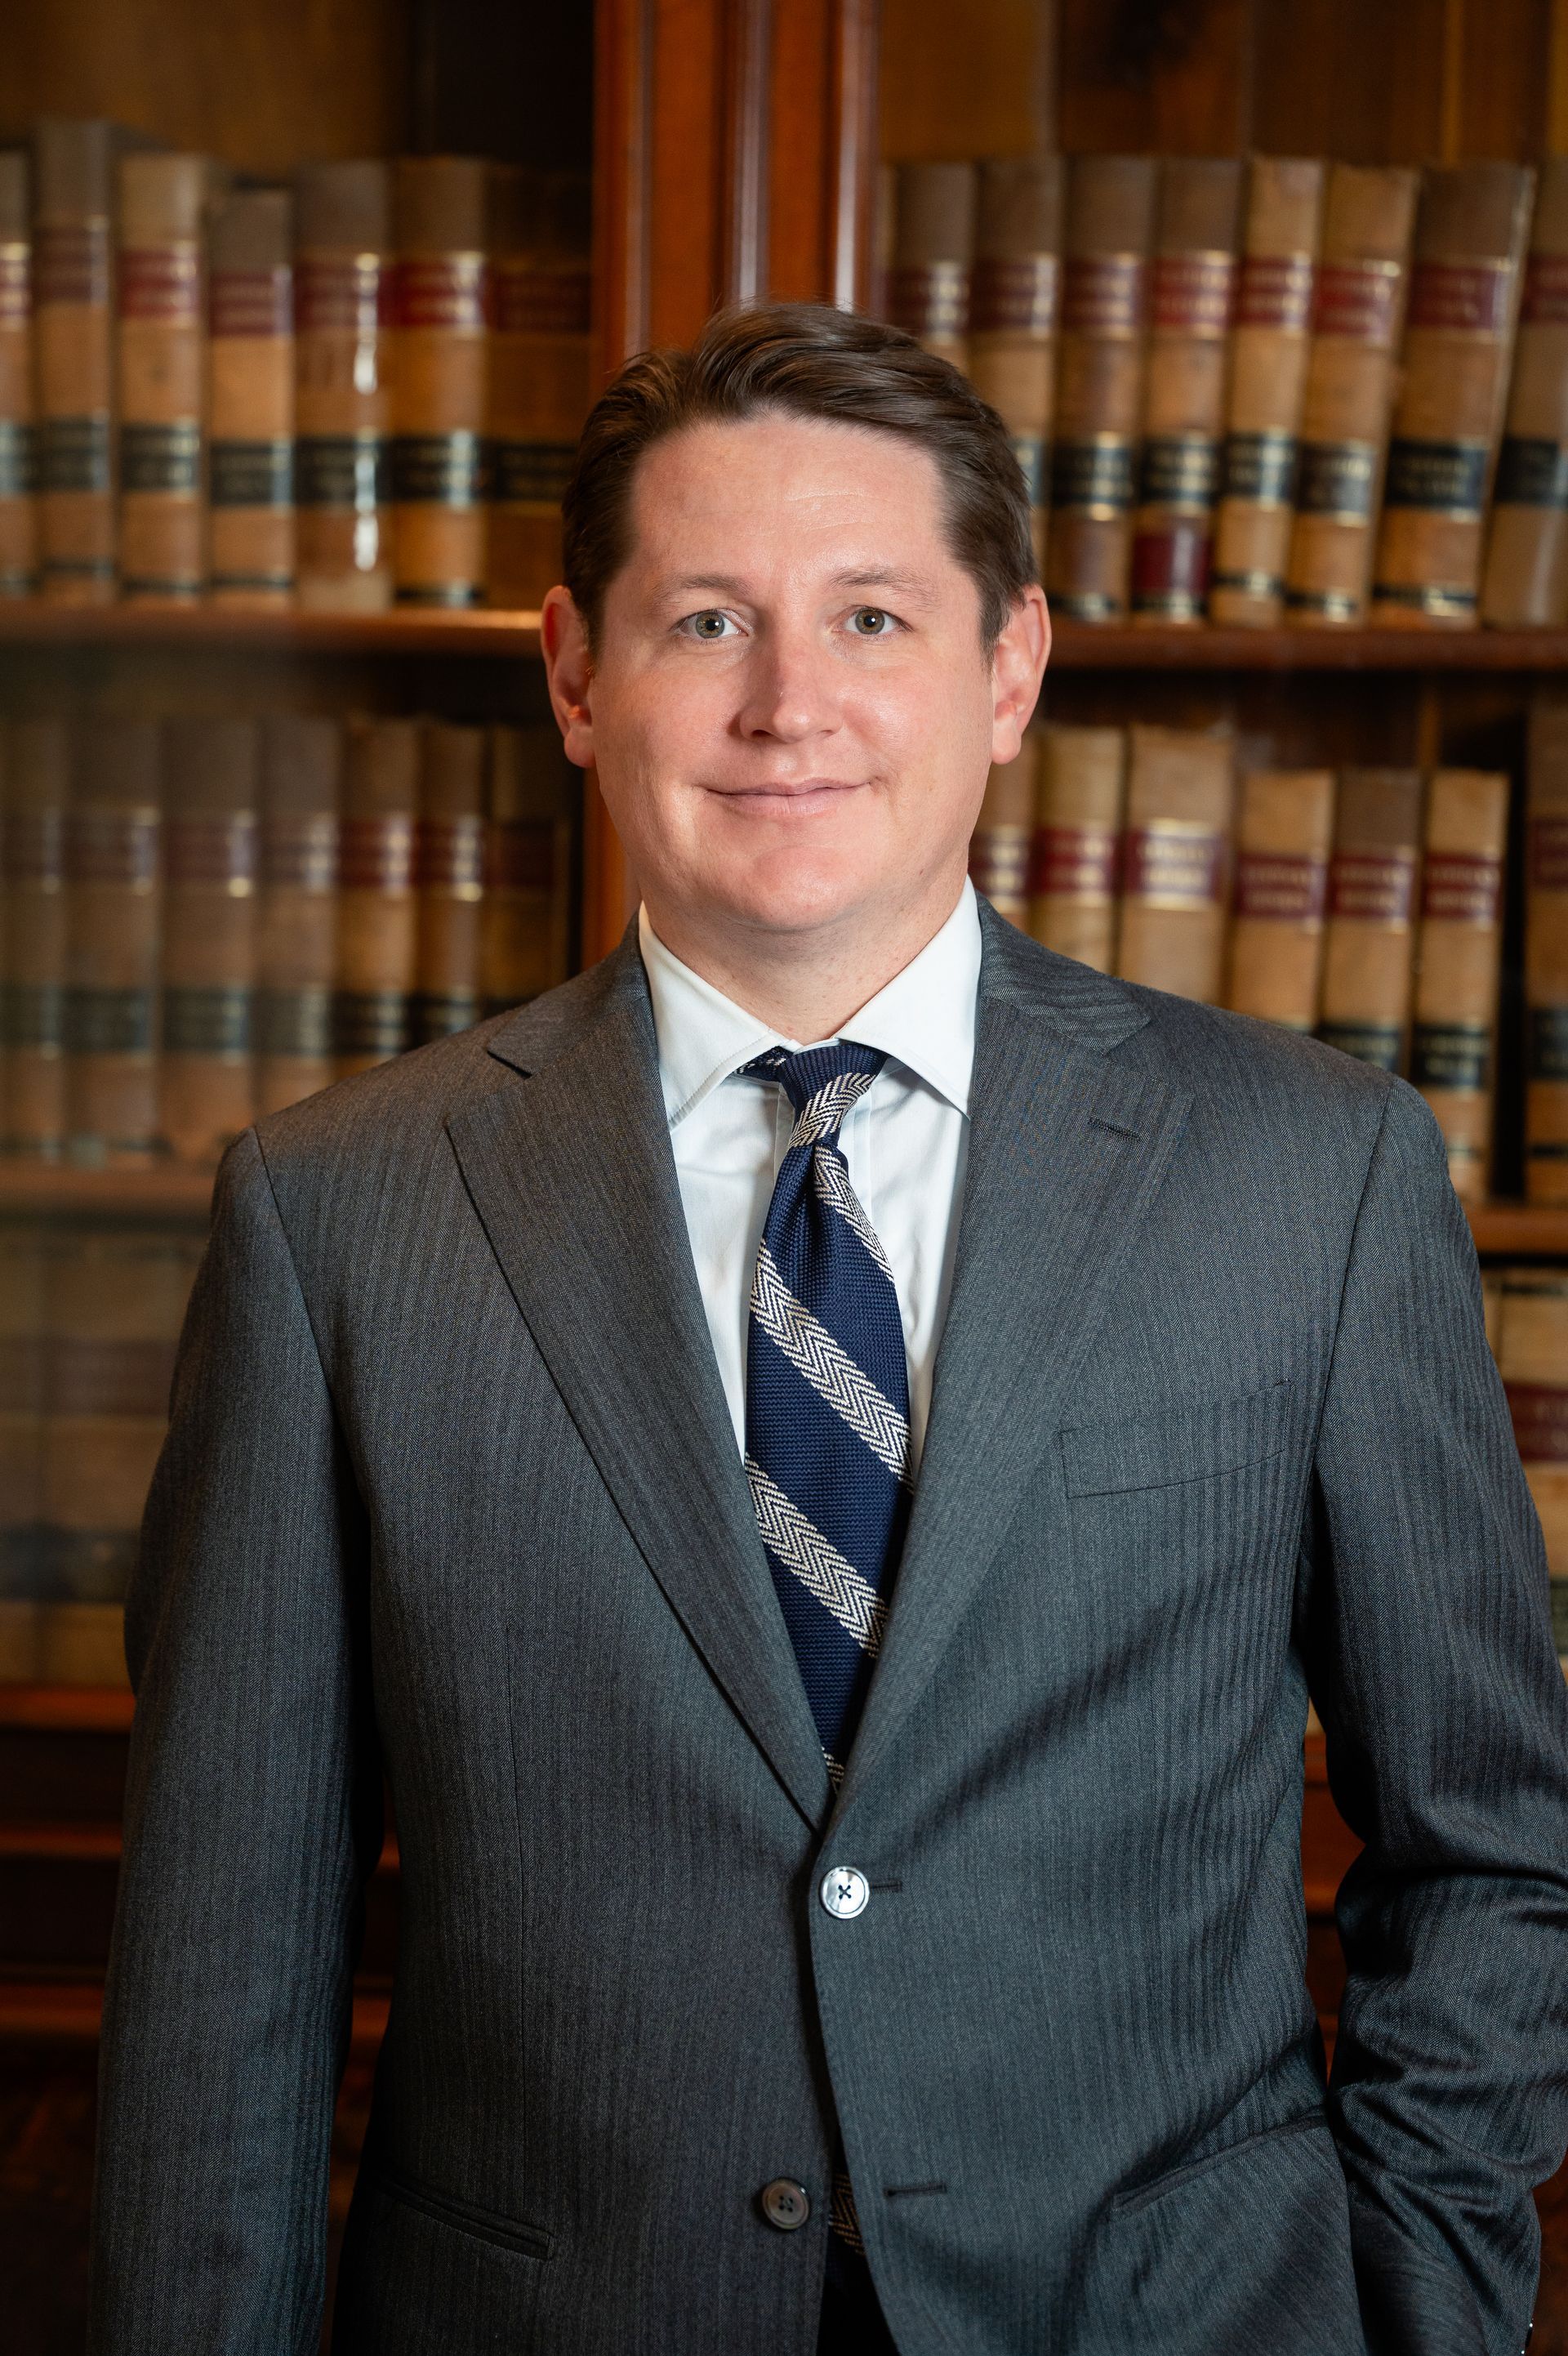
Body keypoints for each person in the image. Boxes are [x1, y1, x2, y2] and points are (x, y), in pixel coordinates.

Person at [90, 302, 1568, 2356]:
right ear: (575, 677)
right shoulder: (339, 1215)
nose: (791, 704)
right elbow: (221, 1967)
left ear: (1012, 670)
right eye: (706, 622)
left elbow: (1495, 1835)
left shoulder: (1307, 1176)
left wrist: (1424, 2298)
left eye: (873, 617)